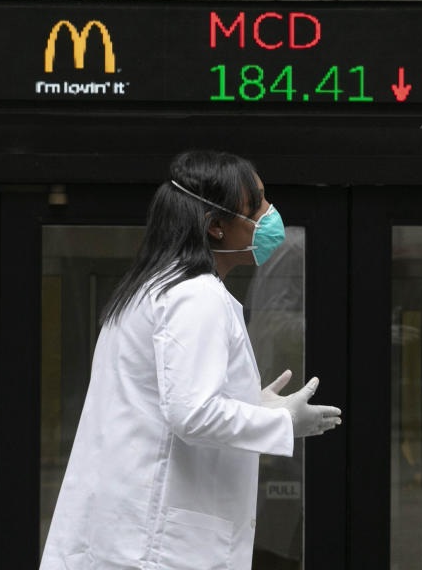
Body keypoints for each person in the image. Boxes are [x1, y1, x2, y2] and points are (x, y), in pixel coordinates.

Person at [40, 150, 342, 570]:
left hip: (133, 536)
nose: (270, 215)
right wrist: (283, 422)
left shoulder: (153, 289)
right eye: (256, 206)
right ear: (215, 226)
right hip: (158, 547)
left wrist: (250, 405)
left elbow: (166, 403)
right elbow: (192, 413)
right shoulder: (196, 296)